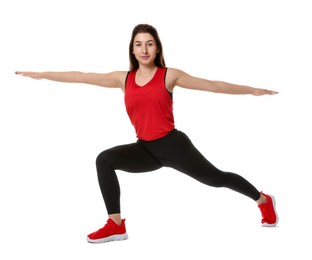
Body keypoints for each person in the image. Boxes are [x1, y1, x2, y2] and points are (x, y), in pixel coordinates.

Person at [16, 23, 278, 244]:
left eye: (150, 43)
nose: (144, 49)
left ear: (157, 48)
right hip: (146, 149)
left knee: (216, 179)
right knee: (104, 159)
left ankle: (263, 200)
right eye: (139, 44)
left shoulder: (169, 75)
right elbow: (82, 76)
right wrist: (43, 75)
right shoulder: (124, 79)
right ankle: (116, 224)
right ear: (132, 49)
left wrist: (252, 90)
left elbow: (212, 85)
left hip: (174, 146)